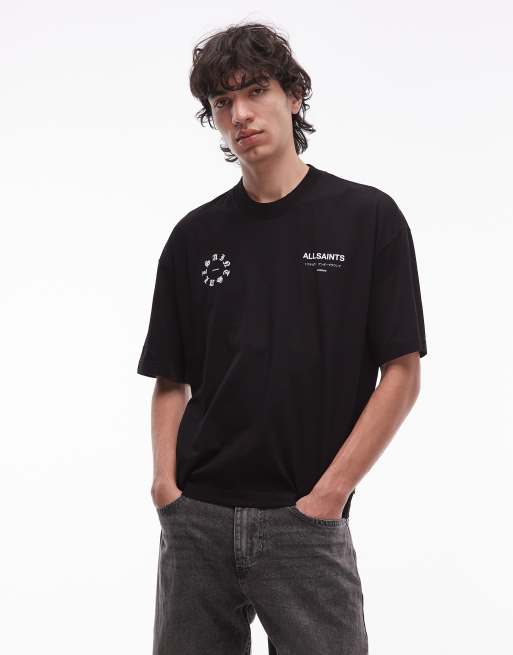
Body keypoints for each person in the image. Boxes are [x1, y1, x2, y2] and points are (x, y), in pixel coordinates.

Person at [137, 21, 427, 655]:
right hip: (197, 522)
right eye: (222, 101)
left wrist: (329, 496)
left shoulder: (368, 219)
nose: (240, 114)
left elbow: (402, 374)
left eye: (256, 90)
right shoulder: (193, 237)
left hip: (307, 523)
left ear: (293, 96)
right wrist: (166, 490)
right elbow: (170, 379)